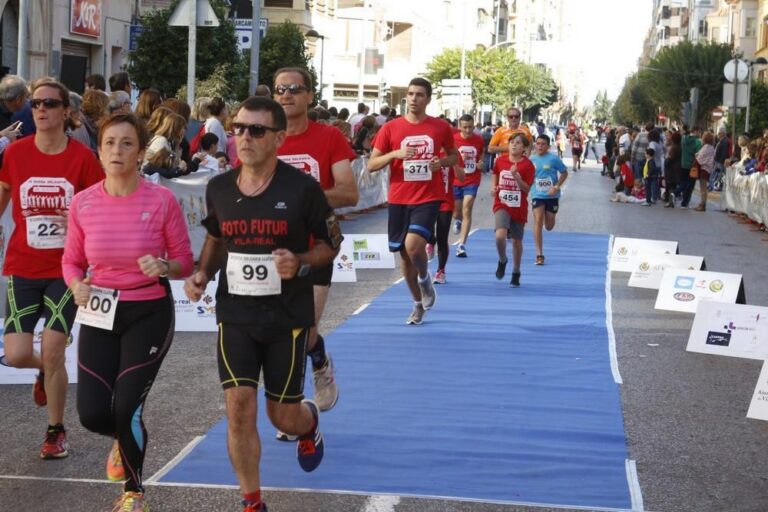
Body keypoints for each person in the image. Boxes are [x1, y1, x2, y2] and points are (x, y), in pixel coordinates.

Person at [184, 96, 339, 512]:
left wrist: (301, 261)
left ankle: (308, 422)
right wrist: (203, 273)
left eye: (256, 130)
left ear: (278, 138)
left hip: (286, 317)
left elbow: (331, 245)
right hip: (235, 315)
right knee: (237, 408)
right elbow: (216, 239)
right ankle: (252, 501)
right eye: (239, 129)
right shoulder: (219, 187)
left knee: (280, 416)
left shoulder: (302, 189)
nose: (245, 137)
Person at [62, 112, 193, 512]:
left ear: (140, 152)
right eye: (109, 143)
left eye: (126, 143)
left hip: (148, 312)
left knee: (127, 406)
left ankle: (134, 493)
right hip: (101, 311)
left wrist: (165, 267)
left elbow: (185, 262)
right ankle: (122, 437)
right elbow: (70, 262)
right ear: (98, 151)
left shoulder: (161, 200)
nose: (117, 151)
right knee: (91, 413)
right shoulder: (83, 203)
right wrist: (76, 285)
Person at [0, 79, 103, 459]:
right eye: (36, 103)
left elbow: (98, 212)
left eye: (49, 103)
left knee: (55, 346)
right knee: (14, 354)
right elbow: (4, 196)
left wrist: (79, 225)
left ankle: (55, 430)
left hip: (67, 269)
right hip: (23, 264)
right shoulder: (15, 154)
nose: (40, 109)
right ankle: (47, 370)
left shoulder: (83, 160)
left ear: (65, 112)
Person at [273, 67, 358, 423]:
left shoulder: (329, 138)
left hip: (316, 247)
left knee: (302, 330)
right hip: (271, 250)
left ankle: (316, 368)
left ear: (310, 95)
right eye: (280, 89)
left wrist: (303, 197)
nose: (287, 94)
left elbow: (349, 192)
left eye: (295, 88)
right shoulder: (264, 138)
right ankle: (291, 403)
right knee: (278, 334)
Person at [368, 77, 458, 325]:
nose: (414, 99)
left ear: (427, 99)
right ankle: (418, 303)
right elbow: (371, 164)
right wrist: (395, 154)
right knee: (405, 256)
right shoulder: (390, 128)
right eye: (410, 94)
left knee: (413, 245)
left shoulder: (439, 127)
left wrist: (442, 162)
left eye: (419, 94)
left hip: (428, 196)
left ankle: (423, 276)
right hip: (399, 198)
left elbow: (453, 156)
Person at [492, 133, 535, 286]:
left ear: (524, 148)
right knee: (500, 236)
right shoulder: (500, 161)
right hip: (501, 203)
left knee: (517, 241)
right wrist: (494, 188)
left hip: (518, 206)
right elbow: (496, 175)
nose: (514, 145)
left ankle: (516, 271)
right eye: (512, 142)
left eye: (518, 143)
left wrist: (516, 176)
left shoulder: (528, 165)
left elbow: (527, 189)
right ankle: (503, 260)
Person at [529, 134, 568, 266]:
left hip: (552, 196)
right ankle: (539, 254)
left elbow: (564, 172)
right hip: (537, 195)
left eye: (543, 144)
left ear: (548, 146)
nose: (539, 146)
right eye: (538, 143)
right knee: (538, 220)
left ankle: (549, 219)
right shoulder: (531, 159)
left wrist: (556, 187)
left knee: (549, 226)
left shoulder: (553, 159)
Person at [451, 114, 485, 257]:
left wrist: (480, 163)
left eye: (470, 127)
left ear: (474, 125)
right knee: (457, 212)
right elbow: (447, 155)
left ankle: (462, 245)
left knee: (467, 208)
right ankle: (457, 220)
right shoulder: (453, 139)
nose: (468, 130)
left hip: (472, 179)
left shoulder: (479, 139)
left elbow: (481, 154)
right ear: (460, 126)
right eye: (465, 127)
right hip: (455, 180)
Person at [694, 131, 715, 212]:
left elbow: (699, 157)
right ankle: (702, 204)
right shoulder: (711, 147)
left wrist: (696, 155)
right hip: (707, 169)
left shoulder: (706, 147)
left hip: (704, 169)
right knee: (703, 188)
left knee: (703, 188)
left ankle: (702, 205)